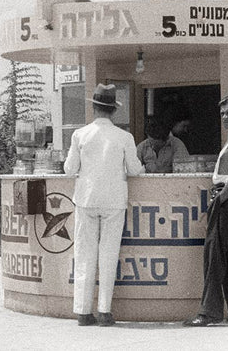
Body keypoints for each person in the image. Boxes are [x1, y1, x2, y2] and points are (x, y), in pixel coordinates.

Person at [63, 83, 145, 327]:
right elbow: (134, 169)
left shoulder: (79, 134)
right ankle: (105, 311)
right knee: (109, 254)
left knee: (84, 255)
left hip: (86, 199)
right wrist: (142, 167)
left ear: (94, 108)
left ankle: (82, 311)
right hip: (113, 201)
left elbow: (69, 169)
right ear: (114, 110)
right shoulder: (124, 137)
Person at [184, 95, 228, 327]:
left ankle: (209, 313)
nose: (225, 117)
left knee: (214, 257)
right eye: (223, 113)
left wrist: (217, 202)